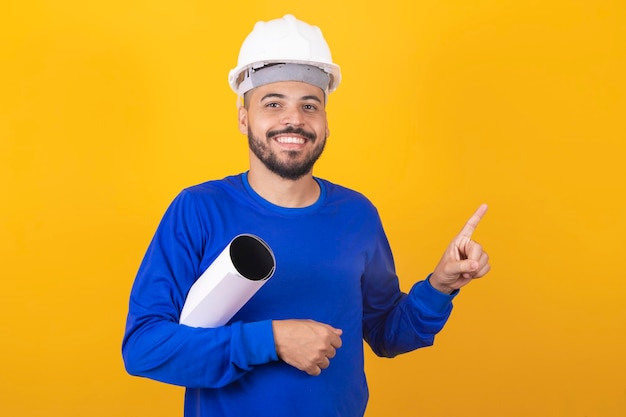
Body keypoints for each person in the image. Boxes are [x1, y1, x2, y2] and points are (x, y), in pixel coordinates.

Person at [122, 14, 491, 417]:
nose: (293, 119)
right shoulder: (198, 209)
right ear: (244, 118)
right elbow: (144, 348)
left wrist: (439, 286)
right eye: (273, 103)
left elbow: (388, 334)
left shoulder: (357, 215)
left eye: (309, 105)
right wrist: (272, 339)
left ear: (326, 123)